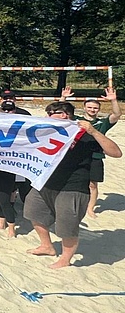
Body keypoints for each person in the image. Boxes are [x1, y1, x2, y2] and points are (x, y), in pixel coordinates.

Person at [24, 101, 121, 269]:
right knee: (34, 213)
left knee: (67, 225)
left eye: (67, 113)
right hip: (46, 181)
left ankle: (65, 259)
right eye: (59, 113)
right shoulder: (44, 132)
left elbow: (116, 153)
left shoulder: (84, 134)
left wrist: (93, 131)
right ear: (49, 116)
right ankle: (47, 246)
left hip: (73, 185)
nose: (64, 116)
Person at [60, 86, 121, 218]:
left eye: (95, 108)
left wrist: (113, 100)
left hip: (96, 156)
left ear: (98, 109)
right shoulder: (76, 119)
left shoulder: (102, 122)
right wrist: (63, 97)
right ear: (84, 108)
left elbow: (116, 115)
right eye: (89, 107)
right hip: (77, 155)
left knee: (92, 184)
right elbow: (60, 113)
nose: (92, 110)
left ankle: (90, 208)